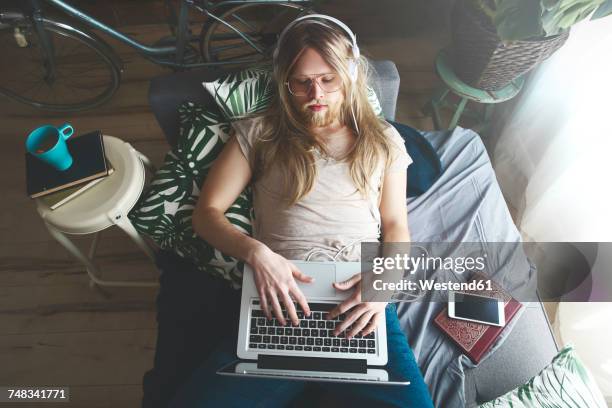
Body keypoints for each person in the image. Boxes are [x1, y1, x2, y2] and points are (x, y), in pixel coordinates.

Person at [164, 14, 434, 407]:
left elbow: (396, 227)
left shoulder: (382, 138)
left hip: (358, 301)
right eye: (301, 82)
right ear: (284, 81)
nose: (315, 94)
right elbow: (207, 213)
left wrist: (382, 287)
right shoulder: (261, 132)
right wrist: (256, 253)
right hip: (280, 297)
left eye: (328, 79)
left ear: (350, 74)